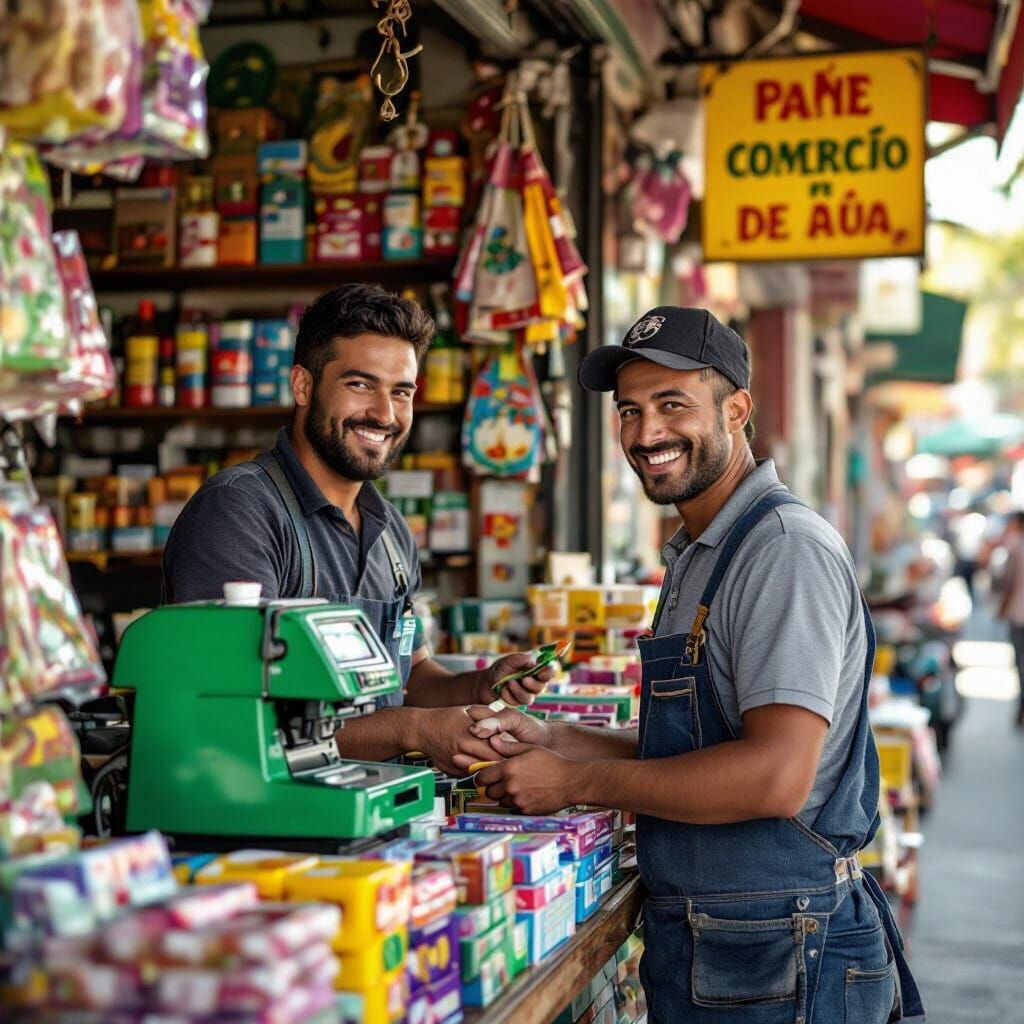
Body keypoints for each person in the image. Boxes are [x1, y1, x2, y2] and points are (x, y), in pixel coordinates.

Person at [460, 307, 925, 1022]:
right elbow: (701, 750)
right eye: (630, 411)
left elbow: (774, 775)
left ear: (737, 410)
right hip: (727, 941)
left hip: (782, 949)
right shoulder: (703, 551)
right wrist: (557, 740)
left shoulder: (782, 550)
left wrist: (575, 781)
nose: (647, 433)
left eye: (673, 404)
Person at [163, 284, 549, 775]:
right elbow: (231, 716)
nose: (385, 415)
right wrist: (413, 730)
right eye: (361, 385)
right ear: (303, 386)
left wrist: (480, 686)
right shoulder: (239, 512)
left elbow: (410, 675)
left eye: (401, 392)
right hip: (261, 812)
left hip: (368, 806)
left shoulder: (391, 534)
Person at [996, 510, 1024, 727]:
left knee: (1020, 662)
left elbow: (1008, 582)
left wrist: (1001, 609)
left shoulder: (1016, 546)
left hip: (1018, 613)